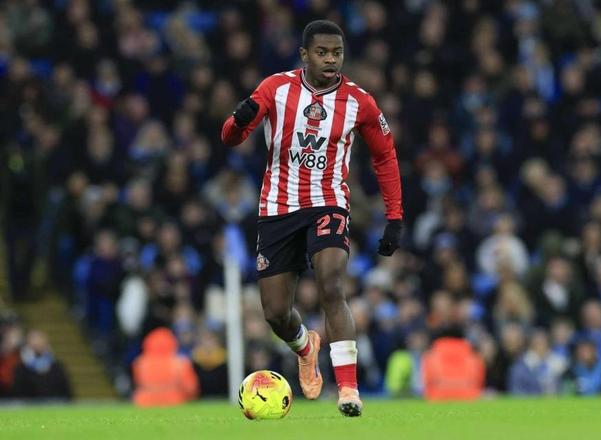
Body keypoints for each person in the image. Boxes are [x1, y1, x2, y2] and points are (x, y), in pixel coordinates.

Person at [221, 20, 403, 416]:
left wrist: (394, 216)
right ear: (305, 54)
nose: (331, 60)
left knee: (331, 284)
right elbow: (230, 138)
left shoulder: (359, 102)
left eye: (337, 53)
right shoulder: (275, 88)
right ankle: (306, 347)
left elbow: (385, 156)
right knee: (275, 313)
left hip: (328, 201)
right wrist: (239, 119)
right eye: (322, 52)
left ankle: (348, 389)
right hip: (278, 207)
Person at [132, 327, 199, 407]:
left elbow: (137, 383)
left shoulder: (140, 363)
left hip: (144, 402)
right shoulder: (180, 362)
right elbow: (191, 388)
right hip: (174, 401)